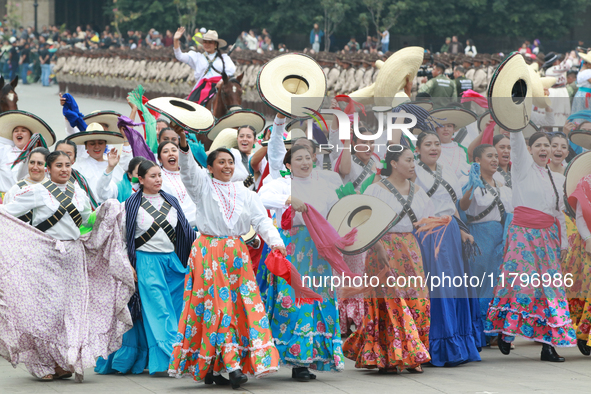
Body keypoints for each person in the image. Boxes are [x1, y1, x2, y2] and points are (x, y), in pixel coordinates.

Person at [168, 124, 285, 389]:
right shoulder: (202, 187)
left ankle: (217, 364)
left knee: (241, 306)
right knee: (216, 309)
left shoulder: (246, 193)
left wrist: (276, 243)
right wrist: (183, 145)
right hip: (208, 252)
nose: (227, 166)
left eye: (230, 162)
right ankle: (231, 367)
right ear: (210, 167)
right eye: (221, 162)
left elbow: (262, 221)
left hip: (236, 254)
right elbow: (188, 171)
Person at [0, 151, 134, 381]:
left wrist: (105, 211)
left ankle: (64, 361)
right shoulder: (36, 192)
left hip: (73, 256)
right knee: (45, 311)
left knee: (70, 311)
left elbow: (85, 220)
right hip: (44, 255)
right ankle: (43, 364)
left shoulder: (78, 192)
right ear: (48, 169)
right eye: (58, 165)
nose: (63, 169)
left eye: (67, 165)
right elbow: (8, 213)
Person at [96, 160, 196, 376]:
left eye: (159, 175)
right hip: (146, 263)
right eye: (152, 176)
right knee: (159, 312)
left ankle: (175, 356)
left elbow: (185, 231)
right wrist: (127, 265)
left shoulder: (171, 200)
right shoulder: (130, 205)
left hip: (173, 263)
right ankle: (169, 360)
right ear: (140, 179)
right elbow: (121, 239)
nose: (158, 179)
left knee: (176, 311)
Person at [257, 145, 345, 379]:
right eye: (299, 158)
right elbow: (261, 198)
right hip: (291, 249)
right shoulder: (279, 184)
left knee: (318, 300)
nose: (305, 162)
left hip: (319, 250)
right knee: (291, 301)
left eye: (308, 157)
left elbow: (337, 215)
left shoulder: (325, 186)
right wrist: (287, 199)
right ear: (288, 165)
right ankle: (290, 357)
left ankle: (306, 360)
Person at [486, 131, 575, 361]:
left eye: (548, 145)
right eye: (539, 145)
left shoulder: (559, 180)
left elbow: (558, 213)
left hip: (548, 238)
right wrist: (515, 117)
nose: (544, 149)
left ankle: (548, 347)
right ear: (530, 149)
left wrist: (563, 241)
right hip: (522, 234)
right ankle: (506, 332)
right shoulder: (522, 168)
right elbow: (516, 142)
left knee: (550, 290)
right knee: (521, 284)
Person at [343, 147, 431, 373]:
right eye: (409, 160)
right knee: (388, 303)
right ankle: (388, 355)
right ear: (393, 163)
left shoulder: (419, 191)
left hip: (410, 248)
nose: (413, 165)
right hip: (381, 249)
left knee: (417, 300)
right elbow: (363, 221)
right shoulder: (375, 190)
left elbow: (424, 222)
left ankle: (413, 354)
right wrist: (378, 245)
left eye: (414, 161)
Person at [412, 131, 482, 366]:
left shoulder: (448, 169)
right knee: (438, 288)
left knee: (455, 286)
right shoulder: (414, 171)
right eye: (427, 144)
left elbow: (454, 206)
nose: (433, 148)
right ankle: (438, 345)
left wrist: (461, 230)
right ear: (418, 149)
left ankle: (458, 343)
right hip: (429, 232)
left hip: (451, 230)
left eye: (436, 144)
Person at [459, 144, 513, 346]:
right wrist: (471, 187)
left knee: (498, 284)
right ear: (477, 160)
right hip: (480, 236)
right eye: (489, 156)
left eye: (496, 156)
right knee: (480, 283)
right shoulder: (472, 183)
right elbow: (463, 207)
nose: (494, 159)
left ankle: (494, 330)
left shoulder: (503, 186)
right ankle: (478, 331)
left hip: (500, 238)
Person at [173, 27, 236, 105]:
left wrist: (222, 82)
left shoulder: (224, 58)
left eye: (210, 42)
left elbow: (230, 72)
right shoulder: (197, 57)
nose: (207, 45)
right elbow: (179, 56)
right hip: (201, 89)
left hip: (220, 87)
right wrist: (176, 40)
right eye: (205, 42)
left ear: (216, 44)